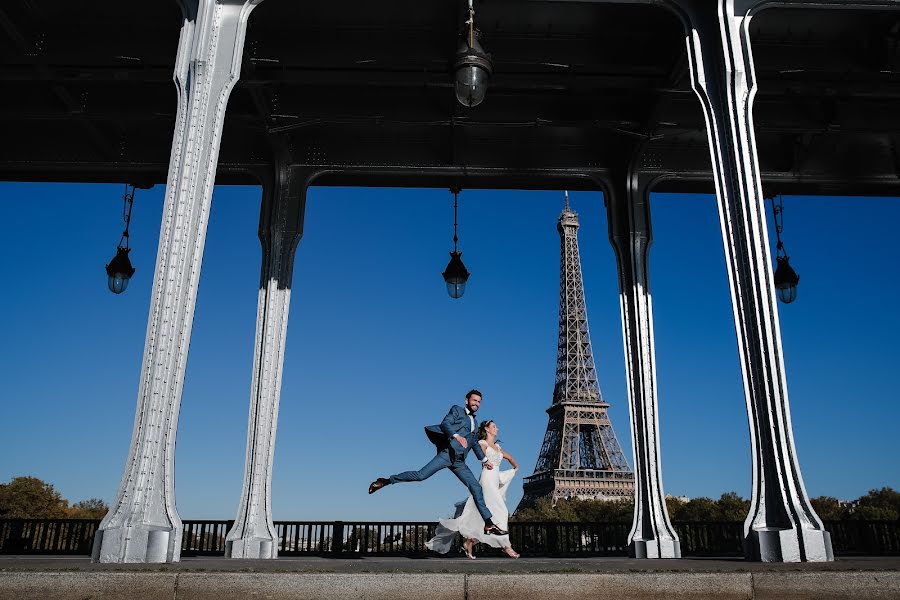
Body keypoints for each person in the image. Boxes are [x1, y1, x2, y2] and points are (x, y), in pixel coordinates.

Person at [368, 389, 508, 536]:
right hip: (447, 454)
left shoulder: (475, 421)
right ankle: (386, 481)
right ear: (467, 400)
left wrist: (484, 460)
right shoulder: (457, 410)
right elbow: (445, 424)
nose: (477, 404)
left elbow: (474, 444)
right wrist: (456, 436)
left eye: (479, 402)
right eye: (474, 400)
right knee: (421, 475)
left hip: (459, 462)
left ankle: (488, 523)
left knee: (476, 488)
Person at [425, 420, 520, 559]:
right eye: (494, 426)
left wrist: (515, 467)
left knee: (483, 514)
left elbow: (510, 457)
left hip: (494, 480)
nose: (497, 429)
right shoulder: (483, 443)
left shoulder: (498, 447)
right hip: (487, 480)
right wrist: (485, 461)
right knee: (503, 511)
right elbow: (480, 456)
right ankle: (507, 547)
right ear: (487, 429)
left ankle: (469, 542)